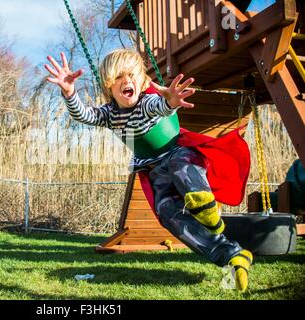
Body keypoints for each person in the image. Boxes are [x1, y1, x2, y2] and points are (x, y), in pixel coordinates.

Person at [45, 49, 253, 292]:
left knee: (181, 167)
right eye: (120, 78)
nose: (127, 81)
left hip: (179, 152)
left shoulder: (145, 102)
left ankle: (208, 212)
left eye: (132, 75)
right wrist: (69, 93)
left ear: (142, 81)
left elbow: (160, 106)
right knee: (166, 212)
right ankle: (232, 255)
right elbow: (85, 115)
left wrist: (170, 102)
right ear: (109, 85)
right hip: (154, 168)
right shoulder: (110, 114)